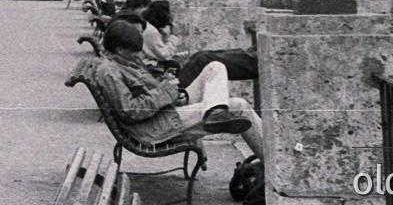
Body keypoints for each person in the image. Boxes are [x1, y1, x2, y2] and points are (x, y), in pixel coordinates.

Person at [78, 19, 263, 158]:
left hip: (166, 112)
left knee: (215, 66)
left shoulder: (121, 62)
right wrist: (165, 92)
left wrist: (167, 88)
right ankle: (275, 168)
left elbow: (144, 93)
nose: (137, 55)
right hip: (156, 127)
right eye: (134, 51)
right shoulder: (110, 72)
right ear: (119, 49)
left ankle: (215, 112)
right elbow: (130, 110)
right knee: (240, 106)